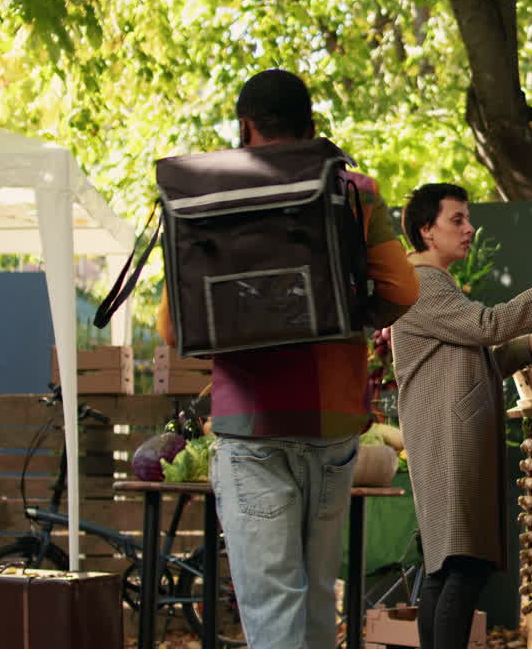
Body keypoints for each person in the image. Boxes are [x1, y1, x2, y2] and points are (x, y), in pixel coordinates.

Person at [157, 69, 420, 649]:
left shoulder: (207, 195)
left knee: (274, 603)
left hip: (250, 424)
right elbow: (403, 289)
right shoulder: (355, 190)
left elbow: (172, 327)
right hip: (332, 424)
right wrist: (351, 325)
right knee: (315, 599)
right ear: (311, 127)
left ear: (244, 127)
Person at [390, 183, 532, 649]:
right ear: (426, 230)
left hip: (442, 439)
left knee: (444, 567)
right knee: (463, 566)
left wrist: (528, 346)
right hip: (448, 441)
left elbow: (464, 354)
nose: (469, 229)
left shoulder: (430, 283)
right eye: (458, 220)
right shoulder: (423, 284)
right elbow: (485, 327)